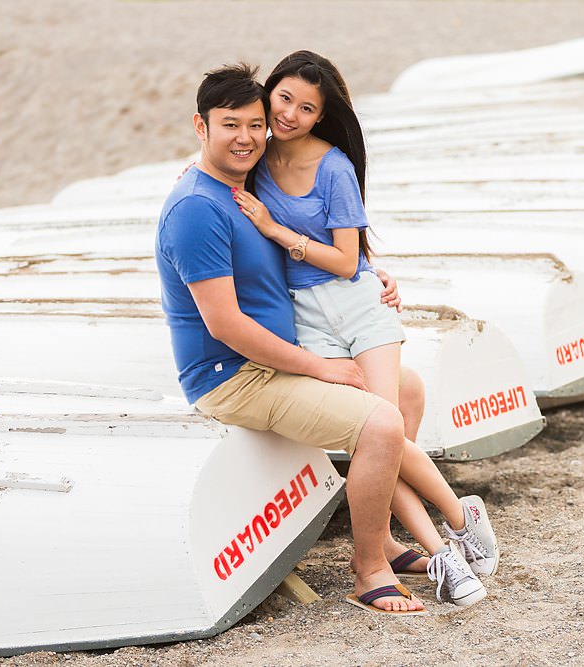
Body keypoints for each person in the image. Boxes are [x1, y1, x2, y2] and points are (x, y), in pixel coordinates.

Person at [156, 62, 427, 614]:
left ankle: (390, 541)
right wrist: (317, 366)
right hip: (234, 377)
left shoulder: (242, 185)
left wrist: (374, 276)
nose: (247, 137)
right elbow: (225, 325)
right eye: (230, 125)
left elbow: (309, 249)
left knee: (410, 389)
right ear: (200, 125)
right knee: (379, 424)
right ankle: (369, 568)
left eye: (256, 125)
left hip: (275, 360)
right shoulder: (197, 208)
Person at [231, 51, 499, 606]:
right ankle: (452, 529)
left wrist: (275, 230)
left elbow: (346, 260)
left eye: (307, 108)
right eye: (284, 99)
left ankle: (448, 536)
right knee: (376, 435)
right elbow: (216, 158)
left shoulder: (333, 167)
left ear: (321, 116)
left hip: (356, 305)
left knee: (385, 434)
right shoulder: (254, 161)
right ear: (268, 93)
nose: (290, 115)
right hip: (307, 314)